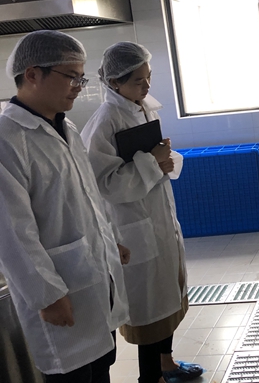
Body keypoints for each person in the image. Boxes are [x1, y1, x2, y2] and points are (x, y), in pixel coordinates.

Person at [0, 30, 130, 382]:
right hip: (59, 289)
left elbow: (87, 195)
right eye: (71, 76)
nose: (78, 86)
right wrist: (47, 295)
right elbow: (12, 232)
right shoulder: (7, 138)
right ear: (32, 74)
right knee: (73, 374)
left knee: (100, 367)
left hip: (94, 277)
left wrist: (109, 240)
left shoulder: (66, 126)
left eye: (81, 77)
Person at [80, 42, 202, 383]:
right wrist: (153, 162)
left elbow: (154, 159)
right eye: (138, 80)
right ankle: (151, 378)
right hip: (133, 227)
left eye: (148, 77)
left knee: (169, 296)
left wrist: (163, 160)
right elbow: (106, 184)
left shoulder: (145, 108)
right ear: (114, 82)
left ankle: (167, 364)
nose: (146, 86)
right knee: (150, 309)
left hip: (159, 219)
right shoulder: (105, 122)